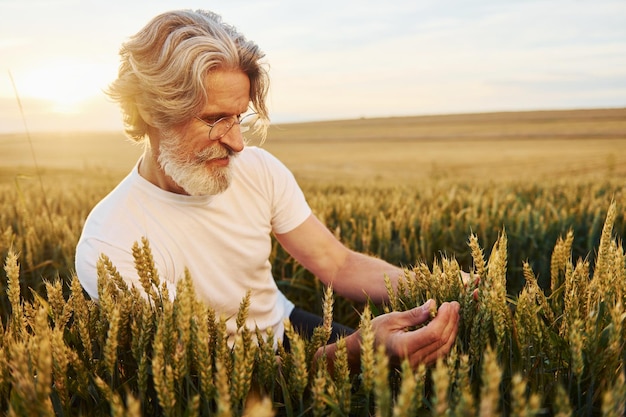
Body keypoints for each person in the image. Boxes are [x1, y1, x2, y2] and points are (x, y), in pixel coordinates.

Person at [75, 9, 460, 371]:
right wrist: (356, 352)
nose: (238, 143)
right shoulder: (110, 246)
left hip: (286, 325)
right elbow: (205, 378)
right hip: (223, 374)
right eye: (214, 119)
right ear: (148, 110)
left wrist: (436, 286)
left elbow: (338, 264)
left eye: (238, 117)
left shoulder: (257, 170)